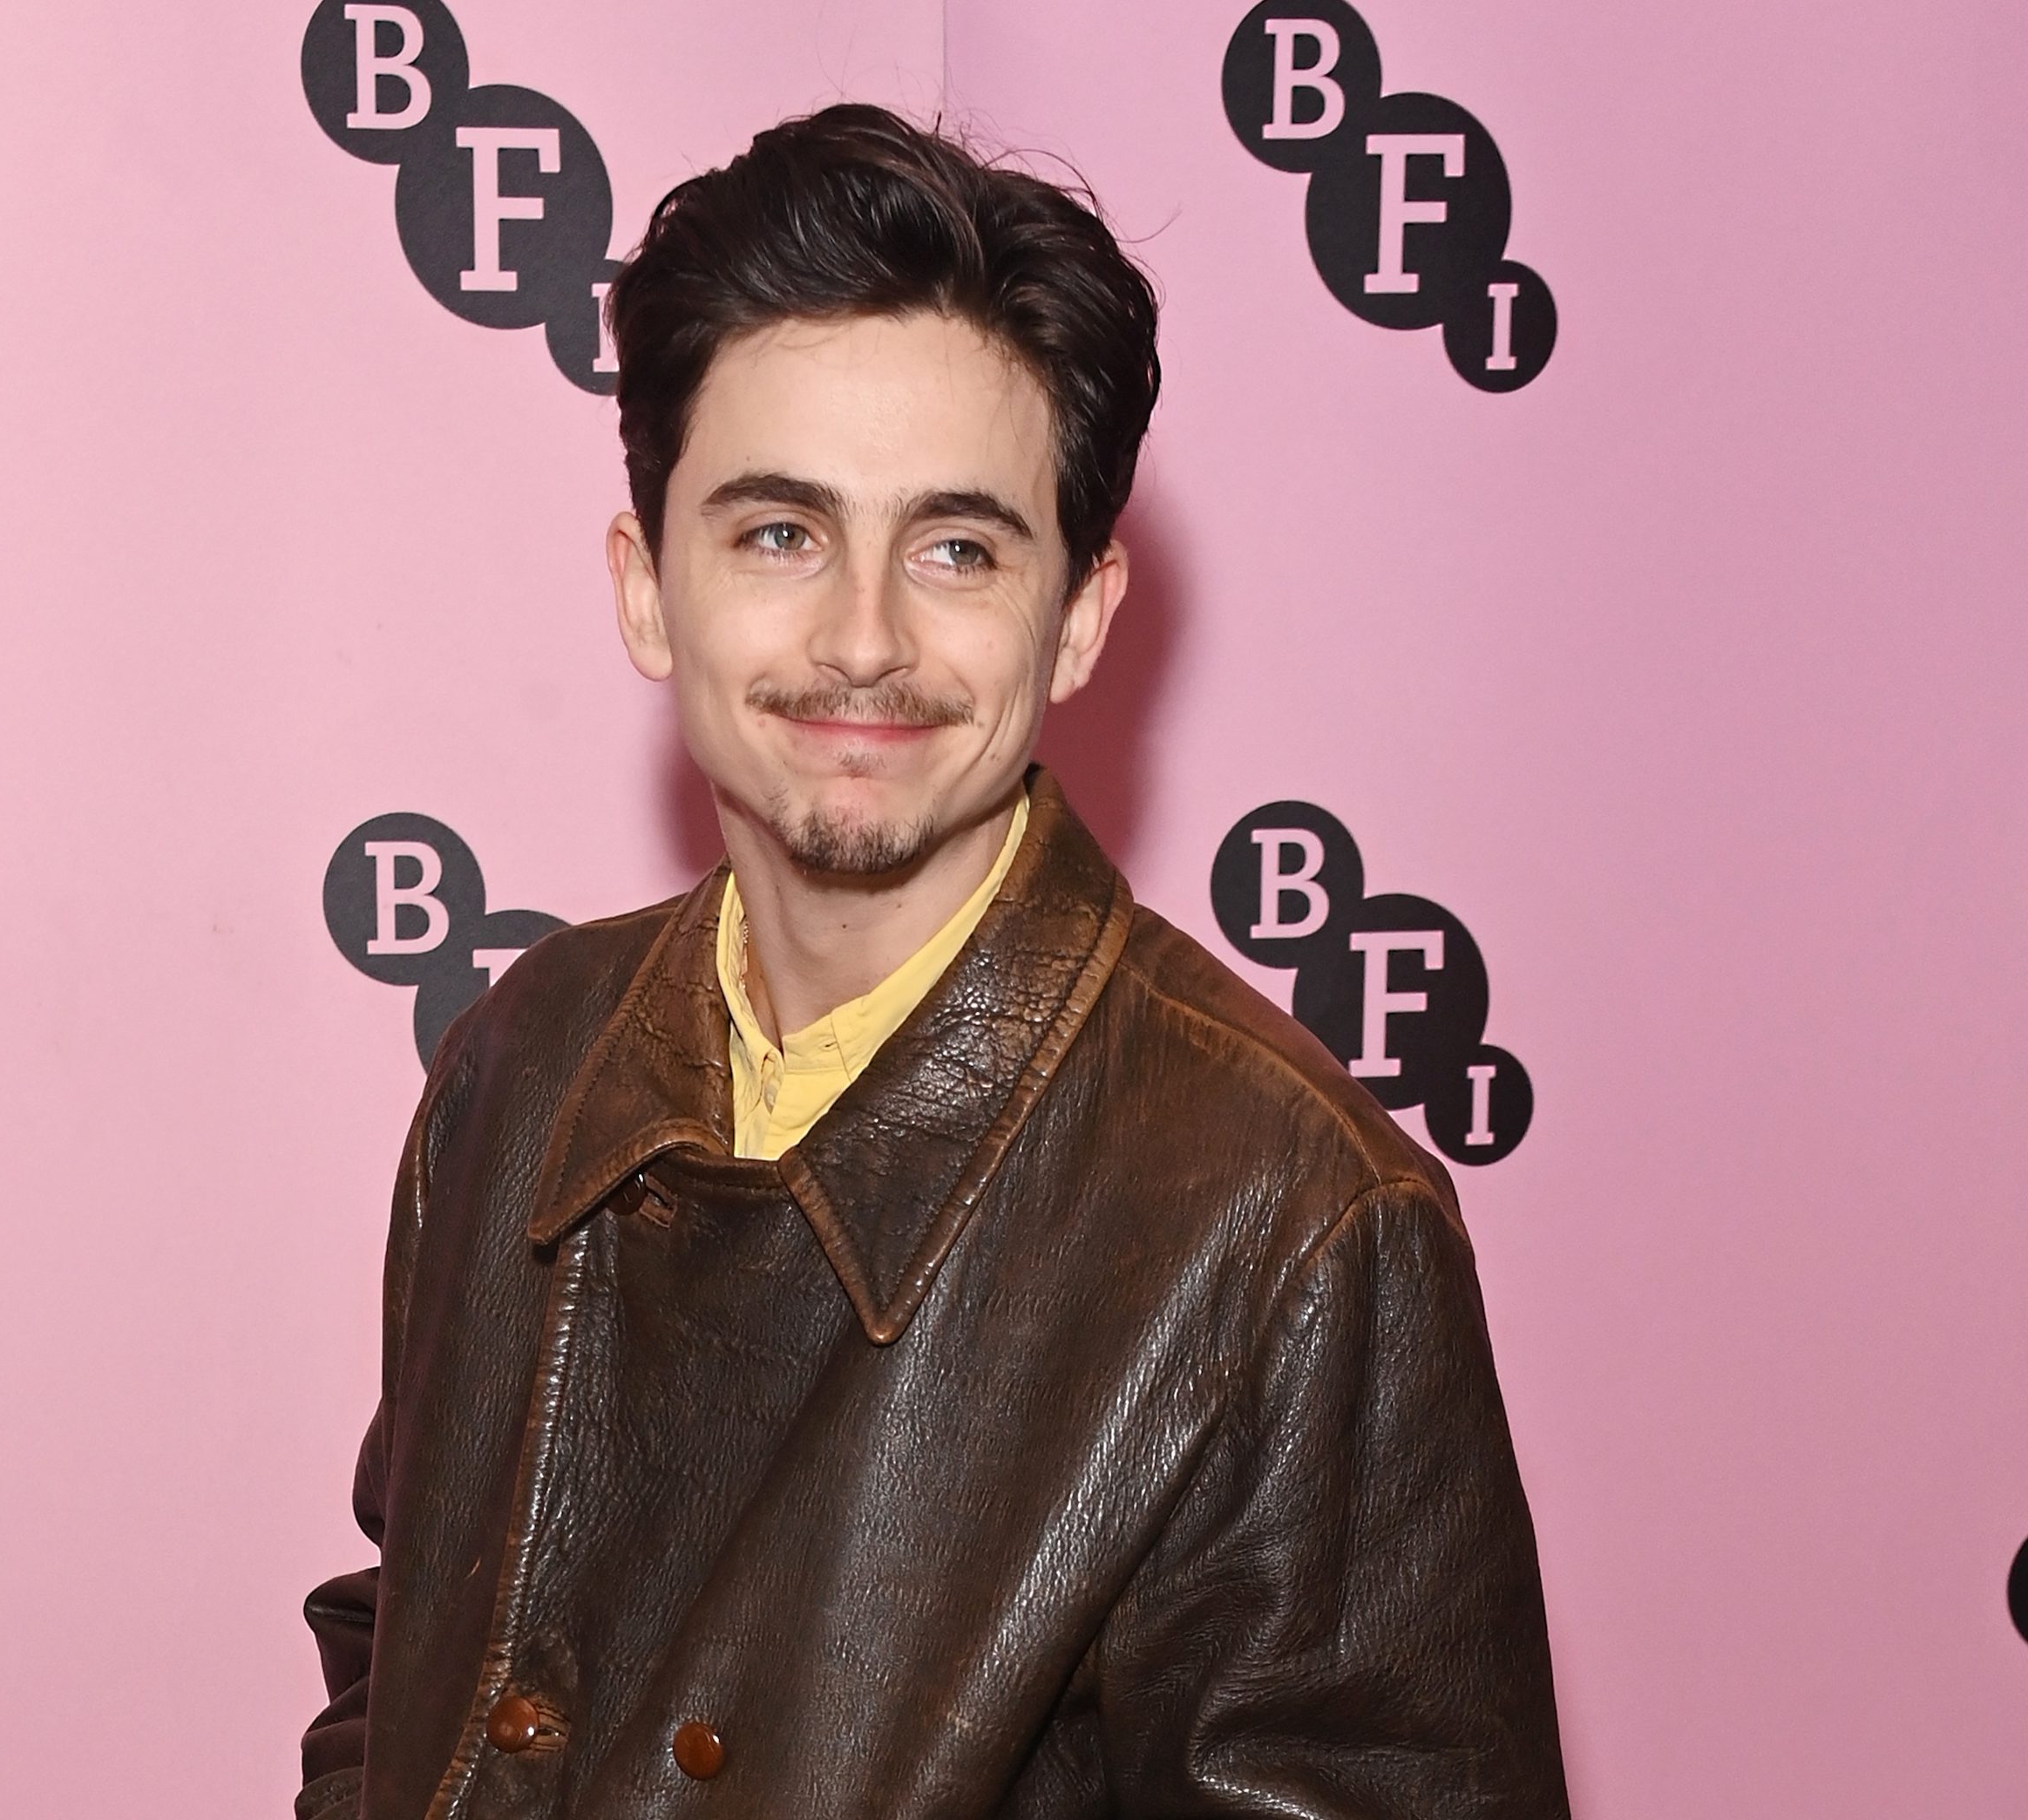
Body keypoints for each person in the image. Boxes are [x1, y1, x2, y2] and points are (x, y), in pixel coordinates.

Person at [297, 103, 1569, 1819]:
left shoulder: (1289, 1231)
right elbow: (399, 1677)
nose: (862, 638)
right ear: (646, 587)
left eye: (957, 547)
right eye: (776, 534)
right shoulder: (524, 1062)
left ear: (1079, 616)